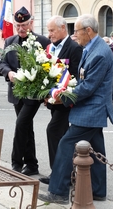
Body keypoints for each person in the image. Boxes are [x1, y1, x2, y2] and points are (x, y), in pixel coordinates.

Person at [38, 14, 113, 204]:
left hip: (91, 110)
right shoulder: (91, 48)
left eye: (77, 31)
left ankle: (58, 192)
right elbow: (81, 80)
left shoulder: (99, 53)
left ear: (88, 31)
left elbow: (88, 86)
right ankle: (98, 190)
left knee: (65, 144)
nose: (75, 35)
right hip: (91, 108)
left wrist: (60, 97)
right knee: (96, 150)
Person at [0, 7, 50, 176]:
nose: (21, 29)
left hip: (33, 94)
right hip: (16, 92)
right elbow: (2, 63)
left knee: (21, 124)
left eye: (24, 25)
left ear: (31, 23)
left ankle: (16, 162)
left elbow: (49, 65)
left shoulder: (42, 41)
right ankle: (32, 164)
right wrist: (9, 73)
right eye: (18, 26)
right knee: (26, 127)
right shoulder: (9, 41)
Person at [39, 15, 82, 185]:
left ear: (63, 28)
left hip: (66, 102)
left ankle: (59, 175)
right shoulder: (50, 48)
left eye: (52, 30)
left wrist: (62, 95)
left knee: (53, 132)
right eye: (48, 31)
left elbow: (76, 76)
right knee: (61, 136)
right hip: (54, 102)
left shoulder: (74, 48)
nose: (49, 34)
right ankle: (64, 172)